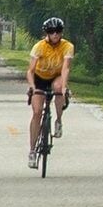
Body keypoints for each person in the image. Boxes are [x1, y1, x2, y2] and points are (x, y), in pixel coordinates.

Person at [23, 16, 74, 150]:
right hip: (39, 77)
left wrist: (64, 88)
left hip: (56, 76)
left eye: (58, 31)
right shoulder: (39, 46)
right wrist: (32, 87)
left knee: (58, 87)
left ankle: (59, 120)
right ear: (47, 33)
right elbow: (30, 71)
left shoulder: (67, 46)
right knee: (37, 112)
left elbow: (65, 68)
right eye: (51, 31)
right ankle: (32, 149)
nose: (55, 34)